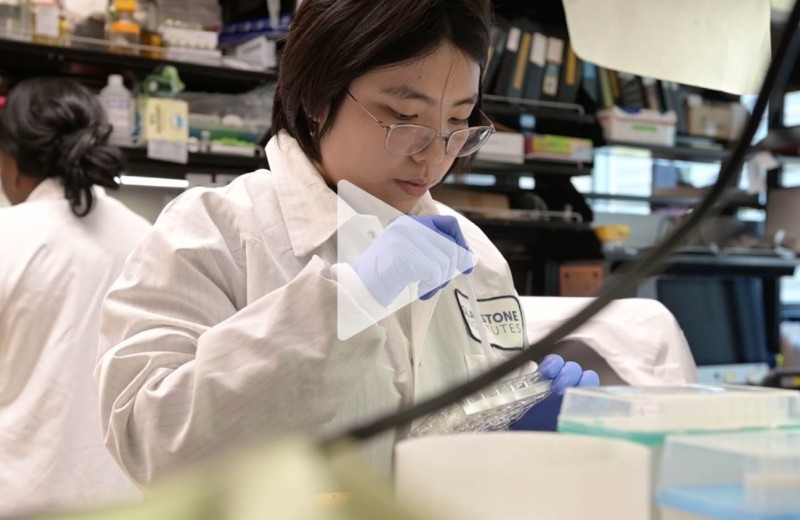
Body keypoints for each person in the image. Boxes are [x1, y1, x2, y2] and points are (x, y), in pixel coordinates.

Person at [96, 0, 599, 485]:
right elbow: (150, 443)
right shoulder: (213, 234)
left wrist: (521, 424)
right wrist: (347, 303)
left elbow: (464, 434)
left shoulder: (475, 253)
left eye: (457, 121)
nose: (434, 158)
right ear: (318, 96)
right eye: (404, 117)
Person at [0, 77, 149, 515]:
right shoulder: (149, 238)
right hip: (126, 500)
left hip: (18, 497)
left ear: (10, 161)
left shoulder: (8, 237)